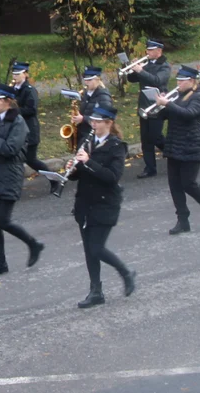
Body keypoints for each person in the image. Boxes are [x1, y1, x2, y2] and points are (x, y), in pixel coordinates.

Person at [66, 106, 136, 308]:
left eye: (97, 121)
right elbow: (80, 174)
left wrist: (88, 162)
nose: (93, 124)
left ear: (109, 123)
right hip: (85, 202)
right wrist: (71, 170)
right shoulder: (87, 142)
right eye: (92, 121)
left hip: (105, 203)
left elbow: (112, 177)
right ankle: (96, 291)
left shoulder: (117, 147)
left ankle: (126, 272)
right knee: (89, 250)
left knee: (96, 248)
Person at [0, 83, 44, 277]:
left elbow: (10, 149)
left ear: (7, 102)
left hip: (9, 175)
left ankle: (33, 243)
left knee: (2, 220)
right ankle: (0, 262)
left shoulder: (19, 123)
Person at [157, 65, 200, 235]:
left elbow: (188, 114)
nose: (178, 84)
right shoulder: (178, 96)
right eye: (177, 80)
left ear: (192, 81)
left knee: (188, 183)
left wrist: (168, 104)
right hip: (174, 144)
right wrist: (160, 106)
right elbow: (165, 115)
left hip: (192, 145)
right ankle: (182, 220)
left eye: (181, 81)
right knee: (174, 185)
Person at [125, 39, 172, 179]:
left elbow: (157, 81)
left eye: (151, 50)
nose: (147, 52)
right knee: (145, 139)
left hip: (158, 105)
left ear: (159, 51)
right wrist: (131, 68)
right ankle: (150, 168)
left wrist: (141, 70)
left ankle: (172, 153)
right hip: (144, 104)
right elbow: (132, 79)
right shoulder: (145, 64)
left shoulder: (164, 66)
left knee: (156, 137)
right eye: (147, 50)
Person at [11, 62, 50, 176]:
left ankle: (53, 178)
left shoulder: (29, 90)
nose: (15, 77)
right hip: (17, 130)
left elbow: (32, 110)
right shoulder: (13, 88)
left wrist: (14, 110)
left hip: (30, 130)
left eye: (18, 74)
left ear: (25, 74)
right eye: (14, 74)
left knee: (31, 160)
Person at [71, 66, 114, 150]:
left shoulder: (103, 96)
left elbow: (105, 118)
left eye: (89, 80)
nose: (86, 83)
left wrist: (83, 119)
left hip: (94, 135)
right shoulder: (87, 93)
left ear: (97, 79)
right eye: (85, 80)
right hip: (83, 133)